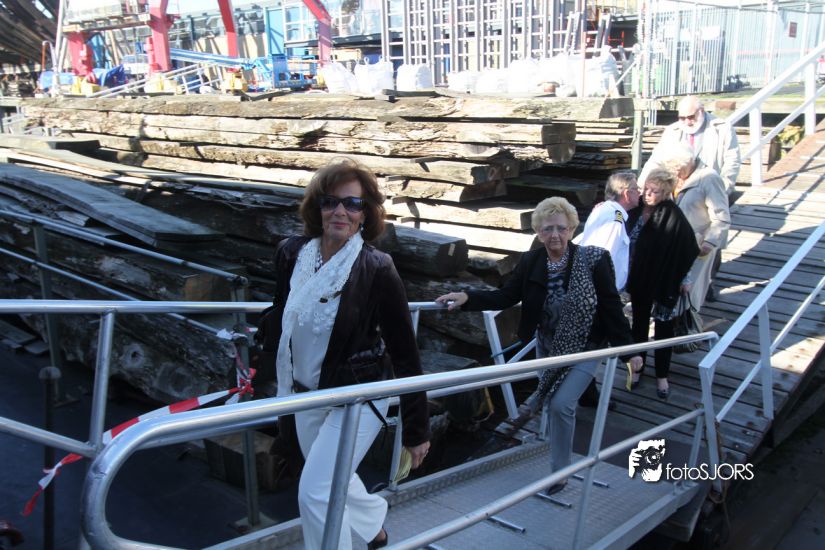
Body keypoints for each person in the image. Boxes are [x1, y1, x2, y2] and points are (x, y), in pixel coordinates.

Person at [269, 158, 430, 550]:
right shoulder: (292, 254)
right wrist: (262, 376)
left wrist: (416, 430)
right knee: (331, 480)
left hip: (358, 397)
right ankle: (374, 527)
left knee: (315, 492)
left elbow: (404, 351)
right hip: (305, 393)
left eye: (353, 204)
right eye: (331, 202)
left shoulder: (377, 268)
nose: (340, 211)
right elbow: (279, 318)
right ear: (318, 208)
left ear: (365, 213)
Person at [435, 197, 642, 496]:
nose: (555, 235)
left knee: (561, 404)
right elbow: (506, 296)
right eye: (547, 229)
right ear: (539, 232)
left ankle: (560, 473)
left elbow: (611, 306)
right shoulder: (531, 261)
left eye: (561, 228)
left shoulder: (593, 260)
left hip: (586, 347)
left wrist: (630, 351)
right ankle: (554, 452)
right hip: (548, 347)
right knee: (554, 402)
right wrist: (468, 297)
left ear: (572, 229)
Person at [626, 169, 699, 400]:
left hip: (665, 280)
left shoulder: (673, 214)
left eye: (654, 191)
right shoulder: (636, 210)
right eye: (646, 189)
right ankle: (637, 368)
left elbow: (687, 247)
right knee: (638, 324)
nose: (647, 194)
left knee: (663, 328)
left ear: (666, 193)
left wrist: (685, 279)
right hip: (639, 278)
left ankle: (662, 375)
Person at [662, 144, 731, 312]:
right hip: (673, 244)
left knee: (690, 292)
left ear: (690, 162)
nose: (674, 171)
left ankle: (686, 323)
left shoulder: (709, 178)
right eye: (671, 167)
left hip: (698, 246)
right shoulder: (672, 175)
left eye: (677, 167)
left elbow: (721, 216)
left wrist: (710, 242)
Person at [640, 95, 740, 196]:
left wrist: (722, 190)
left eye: (691, 117)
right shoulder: (671, 130)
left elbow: (732, 162)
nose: (687, 122)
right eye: (682, 118)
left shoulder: (722, 129)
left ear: (701, 111)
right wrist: (642, 186)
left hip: (709, 190)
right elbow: (655, 160)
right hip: (677, 190)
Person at [573, 170, 641, 291]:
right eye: (636, 189)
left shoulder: (607, 210)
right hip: (603, 289)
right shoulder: (614, 220)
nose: (639, 192)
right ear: (626, 194)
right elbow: (605, 256)